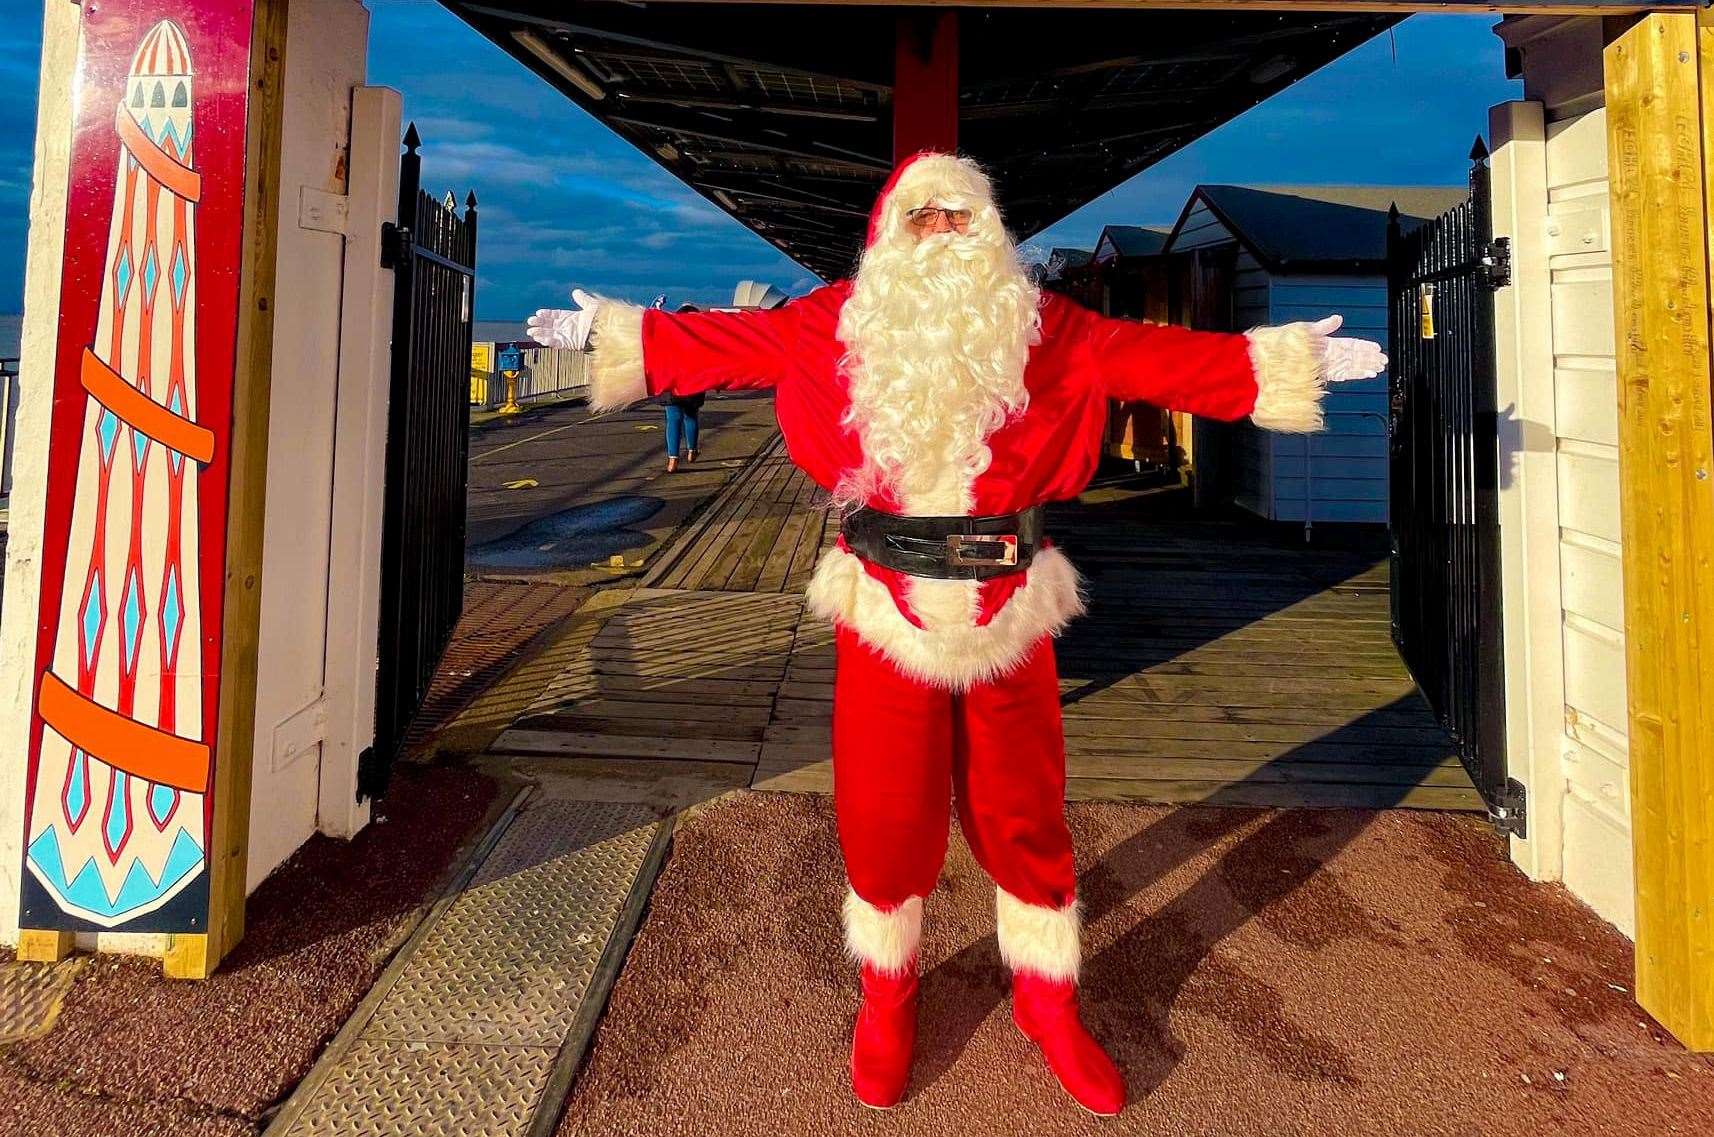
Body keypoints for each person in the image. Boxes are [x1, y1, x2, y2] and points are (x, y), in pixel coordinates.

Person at [526, 151, 1384, 1115]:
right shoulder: (831, 323)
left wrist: (1285, 362)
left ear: (988, 231)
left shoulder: (1046, 328)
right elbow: (722, 343)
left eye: (958, 216)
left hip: (1010, 611)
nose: (941, 232)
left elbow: (1158, 359)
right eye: (923, 217)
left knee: (1025, 804)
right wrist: (609, 334)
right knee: (886, 805)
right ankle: (888, 994)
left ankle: (1047, 998)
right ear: (891, 234)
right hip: (883, 608)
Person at [662, 303, 706, 472]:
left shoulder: (670, 333)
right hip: (693, 383)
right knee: (691, 417)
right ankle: (691, 451)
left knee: (673, 419)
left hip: (672, 382)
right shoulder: (701, 336)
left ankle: (672, 460)